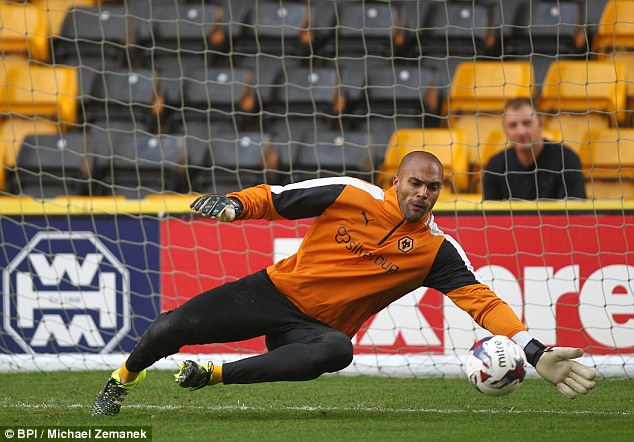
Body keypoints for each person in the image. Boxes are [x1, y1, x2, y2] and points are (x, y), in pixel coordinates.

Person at [92, 151, 596, 416]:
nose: (423, 194)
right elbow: (279, 197)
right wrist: (234, 205)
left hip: (314, 329)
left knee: (337, 351)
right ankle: (120, 382)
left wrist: (533, 350)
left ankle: (214, 375)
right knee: (168, 327)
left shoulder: (436, 251)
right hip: (273, 291)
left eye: (433, 187)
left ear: (441, 192)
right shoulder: (350, 194)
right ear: (395, 182)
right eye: (415, 183)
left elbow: (483, 303)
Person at [483, 97, 587, 200]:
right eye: (513, 125)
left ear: (541, 124)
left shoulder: (567, 161)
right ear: (505, 130)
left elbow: (575, 213)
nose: (521, 132)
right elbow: (490, 215)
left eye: (527, 123)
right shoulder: (495, 167)